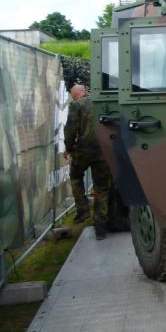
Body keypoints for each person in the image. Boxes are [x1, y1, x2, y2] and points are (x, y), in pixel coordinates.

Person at [63, 84, 111, 240]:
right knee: (102, 189)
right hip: (103, 152)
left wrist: (69, 148)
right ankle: (100, 229)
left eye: (73, 94)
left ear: (80, 93)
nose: (73, 97)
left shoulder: (76, 105)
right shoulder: (103, 101)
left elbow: (70, 130)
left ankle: (83, 211)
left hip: (83, 151)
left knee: (75, 176)